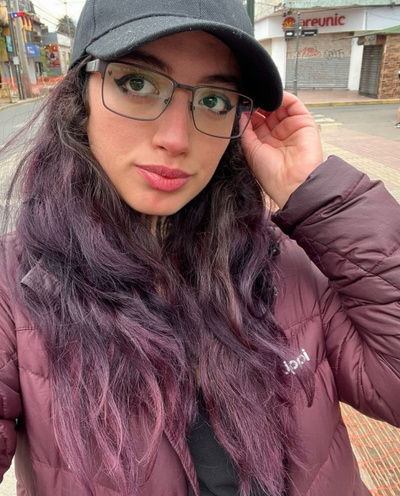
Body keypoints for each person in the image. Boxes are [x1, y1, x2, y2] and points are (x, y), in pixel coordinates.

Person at [0, 0, 399, 495]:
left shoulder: (280, 260)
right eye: (137, 83)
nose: (176, 139)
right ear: (80, 94)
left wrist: (316, 194)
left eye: (213, 100)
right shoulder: (14, 288)